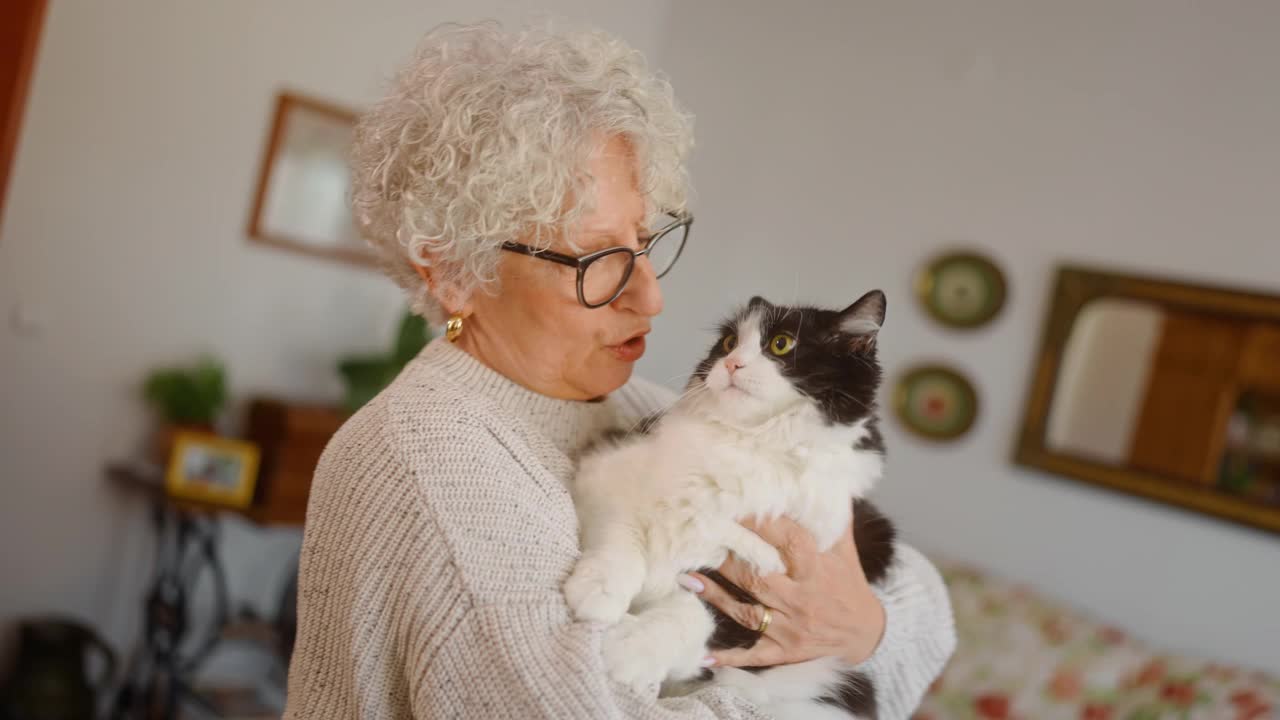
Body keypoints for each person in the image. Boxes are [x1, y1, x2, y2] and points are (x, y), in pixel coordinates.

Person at [284, 21, 955, 719]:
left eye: (645, 241)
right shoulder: (428, 464)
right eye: (596, 258)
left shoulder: (654, 407)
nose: (652, 295)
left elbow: (926, 601)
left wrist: (862, 626)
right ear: (454, 271)